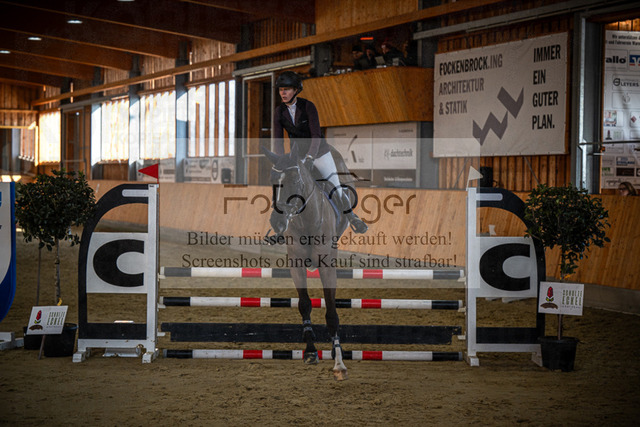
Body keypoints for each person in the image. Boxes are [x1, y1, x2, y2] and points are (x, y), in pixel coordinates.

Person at [272, 71, 368, 233]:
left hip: (319, 153)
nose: (283, 93)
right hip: (298, 157)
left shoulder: (308, 107)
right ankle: (283, 225)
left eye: (286, 89)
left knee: (335, 186)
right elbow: (278, 140)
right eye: (281, 89)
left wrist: (311, 156)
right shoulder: (279, 112)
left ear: (296, 90)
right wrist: (282, 160)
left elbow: (316, 134)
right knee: (288, 187)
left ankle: (352, 217)